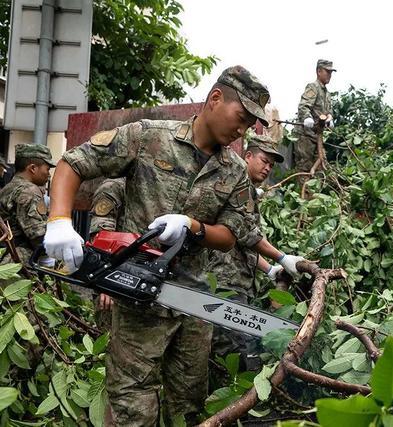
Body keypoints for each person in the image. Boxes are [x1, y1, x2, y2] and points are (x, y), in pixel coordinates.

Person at [43, 65, 305, 425]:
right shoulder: (147, 137)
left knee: (189, 407)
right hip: (138, 301)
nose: (243, 129)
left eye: (250, 124)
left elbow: (231, 235)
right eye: (241, 117)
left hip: (192, 305)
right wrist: (59, 220)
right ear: (216, 98)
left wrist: (194, 228)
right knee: (133, 408)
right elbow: (74, 163)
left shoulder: (234, 172)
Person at [208, 132, 286, 369]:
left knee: (240, 350)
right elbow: (248, 234)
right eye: (264, 161)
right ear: (248, 156)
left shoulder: (247, 189)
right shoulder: (237, 182)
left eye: (271, 166)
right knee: (238, 355)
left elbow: (244, 245)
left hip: (238, 283)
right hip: (226, 283)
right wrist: (281, 257)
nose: (267, 169)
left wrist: (270, 269)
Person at [0, 144, 55, 264]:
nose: (49, 174)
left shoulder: (10, 187)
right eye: (47, 169)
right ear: (33, 168)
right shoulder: (28, 191)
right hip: (18, 261)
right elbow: (38, 237)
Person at [89, 178, 126, 329]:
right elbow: (101, 239)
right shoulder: (114, 187)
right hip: (114, 281)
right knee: (109, 340)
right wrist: (107, 284)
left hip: (143, 279)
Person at [293, 59, 336, 173]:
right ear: (319, 71)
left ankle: (316, 190)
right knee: (304, 168)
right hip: (305, 136)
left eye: (331, 72)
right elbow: (303, 106)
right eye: (327, 72)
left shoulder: (327, 93)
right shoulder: (313, 87)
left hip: (317, 136)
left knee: (321, 169)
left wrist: (330, 119)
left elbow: (329, 111)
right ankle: (305, 191)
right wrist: (307, 117)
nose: (330, 75)